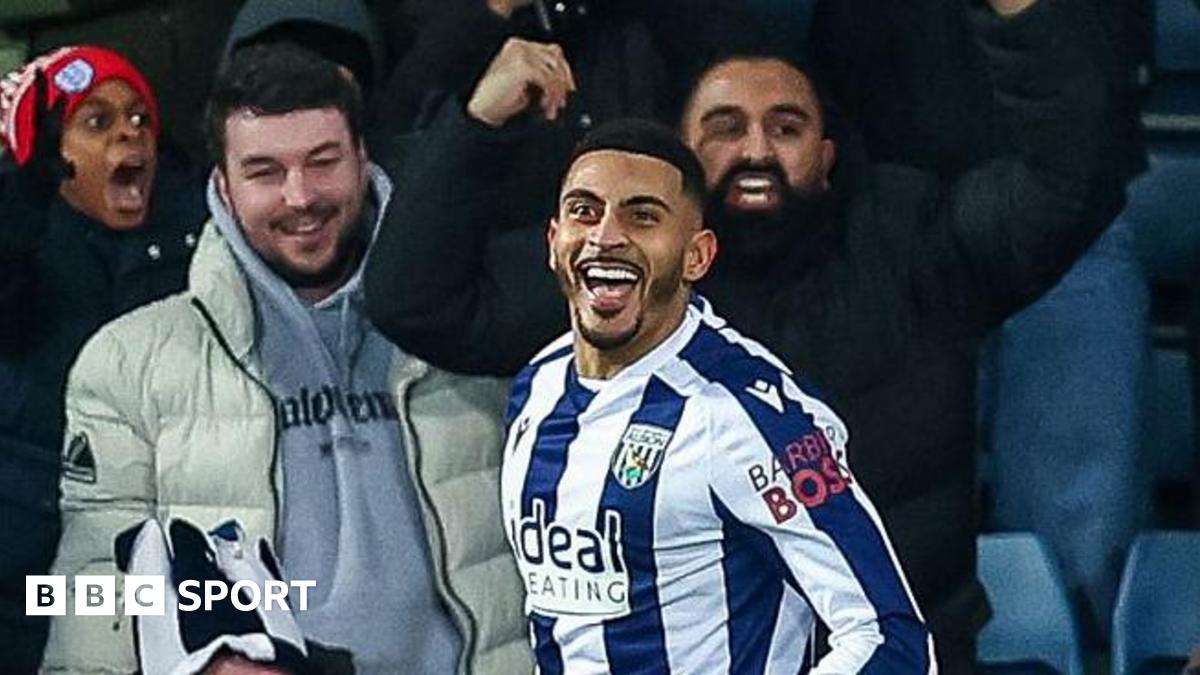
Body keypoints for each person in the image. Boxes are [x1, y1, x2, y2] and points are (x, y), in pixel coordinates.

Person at [364, 0, 1127, 669]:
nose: (756, 150)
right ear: (683, 159)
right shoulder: (627, 277)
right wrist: (479, 126)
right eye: (724, 128)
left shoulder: (915, 240)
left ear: (827, 157)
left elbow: (1072, 184)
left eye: (786, 127)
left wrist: (1016, 11)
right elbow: (415, 300)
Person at [42, 44, 530, 675]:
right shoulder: (127, 362)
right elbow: (90, 589)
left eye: (323, 162)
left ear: (363, 159)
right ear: (222, 186)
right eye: (265, 172)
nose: (300, 197)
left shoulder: (479, 327)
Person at [503, 118, 933, 672]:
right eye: (585, 211)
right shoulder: (536, 386)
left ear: (697, 256)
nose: (605, 236)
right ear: (553, 241)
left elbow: (889, 638)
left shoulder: (745, 415)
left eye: (642, 216)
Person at [0, 45, 203, 672]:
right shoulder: (22, 243)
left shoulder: (200, 233)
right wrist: (21, 190)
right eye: (96, 121)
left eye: (140, 118)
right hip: (30, 554)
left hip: (174, 542)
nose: (128, 133)